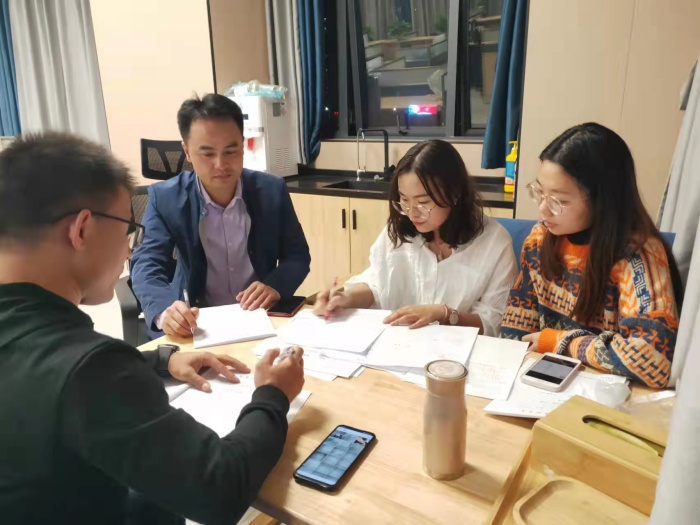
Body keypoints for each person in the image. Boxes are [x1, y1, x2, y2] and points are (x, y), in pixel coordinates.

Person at [0, 132, 305, 524]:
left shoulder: (53, 354)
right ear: (82, 230)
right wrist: (272, 396)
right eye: (128, 228)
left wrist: (161, 360)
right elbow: (221, 487)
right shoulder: (90, 370)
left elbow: (36, 375)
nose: (129, 248)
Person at [501, 123, 683, 388]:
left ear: (603, 200)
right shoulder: (539, 241)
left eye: (559, 201)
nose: (543, 210)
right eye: (539, 192)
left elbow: (653, 360)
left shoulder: (637, 256)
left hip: (607, 395)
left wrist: (562, 342)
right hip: (542, 386)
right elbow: (515, 330)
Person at [131, 93, 311, 338]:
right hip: (197, 323)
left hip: (260, 319)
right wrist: (165, 312)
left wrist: (275, 286)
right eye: (207, 154)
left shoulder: (271, 190)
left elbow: (297, 255)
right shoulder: (165, 198)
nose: (221, 164)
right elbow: (147, 263)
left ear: (243, 145)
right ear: (187, 151)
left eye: (230, 151)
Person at [314, 139, 518, 336]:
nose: (412, 213)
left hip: (457, 353)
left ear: (455, 194)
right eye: (404, 200)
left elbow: (494, 323)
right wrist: (345, 298)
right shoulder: (399, 231)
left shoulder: (494, 243)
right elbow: (377, 283)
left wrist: (444, 314)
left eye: (423, 202)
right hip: (398, 345)